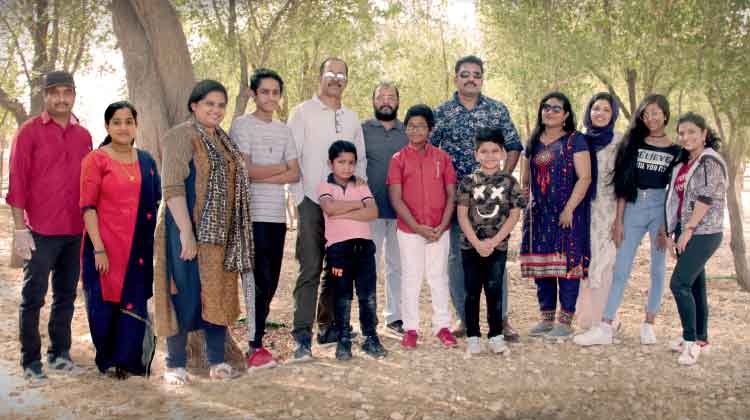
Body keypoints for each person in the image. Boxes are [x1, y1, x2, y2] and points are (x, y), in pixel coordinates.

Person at [154, 80, 253, 384]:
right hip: (184, 226)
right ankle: (175, 364)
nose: (216, 110)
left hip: (219, 236)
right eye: (210, 103)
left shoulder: (223, 141)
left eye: (221, 105)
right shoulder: (180, 136)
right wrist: (186, 232)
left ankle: (217, 361)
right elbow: (172, 186)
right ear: (194, 105)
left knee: (217, 293)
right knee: (182, 291)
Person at [6, 70, 93, 383]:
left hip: (74, 230)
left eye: (66, 92)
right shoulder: (28, 132)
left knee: (66, 297)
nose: (61, 98)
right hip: (40, 231)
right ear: (45, 96)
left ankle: (59, 355)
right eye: (54, 92)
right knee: (33, 298)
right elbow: (17, 182)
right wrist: (20, 229)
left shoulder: (83, 136)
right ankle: (31, 362)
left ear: (74, 95)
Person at [574, 94, 681, 346]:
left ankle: (648, 324)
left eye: (655, 113)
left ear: (665, 115)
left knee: (657, 269)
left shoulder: (676, 150)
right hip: (634, 205)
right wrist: (619, 220)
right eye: (646, 114)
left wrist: (668, 225)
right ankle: (606, 326)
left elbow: (676, 190)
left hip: (660, 210)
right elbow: (624, 183)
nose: (650, 118)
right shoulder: (633, 143)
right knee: (621, 268)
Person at [431, 55, 524, 341]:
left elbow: (514, 145)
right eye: (465, 74)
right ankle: (464, 316)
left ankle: (501, 318)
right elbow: (431, 151)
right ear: (456, 78)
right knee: (457, 258)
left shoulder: (497, 110)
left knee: (496, 256)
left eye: (476, 74)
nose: (471, 79)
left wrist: (501, 181)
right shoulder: (442, 112)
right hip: (456, 199)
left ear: (482, 79)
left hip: (493, 203)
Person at [288, 57, 367, 362]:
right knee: (310, 268)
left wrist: (356, 198)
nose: (336, 79)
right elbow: (292, 156)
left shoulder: (352, 118)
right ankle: (301, 338)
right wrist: (298, 199)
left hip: (343, 204)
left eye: (341, 75)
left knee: (337, 267)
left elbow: (360, 162)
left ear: (347, 80)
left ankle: (328, 327)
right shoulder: (302, 112)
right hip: (311, 201)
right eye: (330, 73)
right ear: (320, 77)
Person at [80, 101, 161, 378]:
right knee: (103, 306)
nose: (123, 127)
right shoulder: (96, 160)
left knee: (133, 301)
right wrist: (98, 249)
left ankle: (130, 361)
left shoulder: (147, 161)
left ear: (136, 126)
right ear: (107, 126)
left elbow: (156, 201)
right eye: (116, 122)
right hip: (104, 246)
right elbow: (88, 207)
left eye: (129, 122)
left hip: (137, 248)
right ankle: (109, 360)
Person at [229, 68, 300, 370]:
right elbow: (245, 171)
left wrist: (262, 172)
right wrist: (279, 168)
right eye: (265, 92)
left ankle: (256, 339)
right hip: (251, 214)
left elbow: (295, 173)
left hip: (276, 216)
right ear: (254, 94)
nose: (270, 97)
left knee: (271, 280)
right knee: (255, 280)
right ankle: (254, 345)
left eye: (275, 92)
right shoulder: (241, 125)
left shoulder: (284, 130)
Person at [520, 92, 592, 342]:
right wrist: (525, 199)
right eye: (546, 107)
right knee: (543, 267)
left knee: (566, 266)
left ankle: (565, 321)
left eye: (556, 108)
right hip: (538, 214)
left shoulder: (575, 140)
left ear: (566, 115)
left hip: (566, 213)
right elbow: (526, 179)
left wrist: (569, 208)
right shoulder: (533, 141)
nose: (549, 112)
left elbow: (585, 177)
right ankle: (546, 318)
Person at [387, 104, 457, 349]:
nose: (416, 130)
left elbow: (452, 194)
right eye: (411, 126)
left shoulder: (442, 158)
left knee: (438, 277)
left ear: (430, 130)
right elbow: (396, 198)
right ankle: (411, 329)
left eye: (421, 126)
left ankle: (443, 327)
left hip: (439, 230)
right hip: (410, 231)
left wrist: (442, 225)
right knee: (411, 277)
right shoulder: (398, 159)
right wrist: (418, 227)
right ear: (405, 129)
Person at [456, 128, 526, 355]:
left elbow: (514, 215)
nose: (489, 156)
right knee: (471, 291)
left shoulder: (510, 183)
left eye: (495, 151)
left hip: (498, 246)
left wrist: (494, 241)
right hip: (470, 246)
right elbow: (462, 215)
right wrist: (477, 243)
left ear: (503, 153)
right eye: (484, 151)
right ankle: (473, 336)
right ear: (476, 154)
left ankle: (496, 335)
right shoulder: (468, 182)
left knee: (494, 291)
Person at [665, 112, 726, 365]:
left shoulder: (709, 161)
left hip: (704, 232)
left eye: (691, 132)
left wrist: (689, 229)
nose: (686, 137)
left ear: (704, 134)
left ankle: (690, 342)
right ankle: (701, 339)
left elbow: (705, 197)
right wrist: (672, 232)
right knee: (694, 285)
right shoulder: (686, 162)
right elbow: (676, 201)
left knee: (679, 283)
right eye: (681, 133)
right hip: (685, 229)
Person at [318, 140, 387, 360]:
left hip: (364, 248)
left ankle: (370, 337)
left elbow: (373, 212)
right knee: (342, 295)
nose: (347, 167)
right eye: (341, 162)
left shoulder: (361, 185)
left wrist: (343, 211)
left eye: (351, 162)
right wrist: (358, 205)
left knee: (367, 295)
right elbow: (330, 208)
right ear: (330, 163)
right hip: (338, 251)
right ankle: (343, 339)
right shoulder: (325, 186)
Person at [572, 93, 623, 335]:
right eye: (595, 108)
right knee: (585, 260)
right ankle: (586, 317)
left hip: (608, 210)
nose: (600, 113)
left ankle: (605, 319)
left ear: (613, 114)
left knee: (605, 262)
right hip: (583, 210)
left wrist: (619, 219)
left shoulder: (619, 141)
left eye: (606, 109)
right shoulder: (579, 140)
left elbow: (624, 183)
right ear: (588, 112)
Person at [362, 81, 408, 337]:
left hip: (401, 211)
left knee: (396, 266)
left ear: (398, 102)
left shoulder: (407, 131)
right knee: (369, 265)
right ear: (374, 101)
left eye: (391, 97)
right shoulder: (362, 130)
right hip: (370, 210)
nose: (386, 101)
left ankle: (395, 317)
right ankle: (368, 317)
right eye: (381, 96)